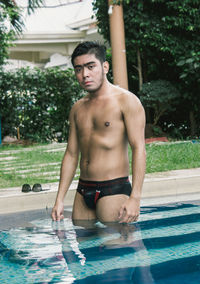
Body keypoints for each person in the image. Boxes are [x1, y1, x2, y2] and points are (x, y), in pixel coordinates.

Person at [51, 41, 146, 224]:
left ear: (105, 66)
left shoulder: (126, 101)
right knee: (86, 249)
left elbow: (139, 148)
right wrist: (60, 199)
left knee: (120, 250)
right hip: (83, 190)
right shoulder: (77, 108)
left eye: (90, 66)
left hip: (113, 189)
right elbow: (71, 154)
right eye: (78, 69)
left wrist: (135, 198)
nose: (84, 74)